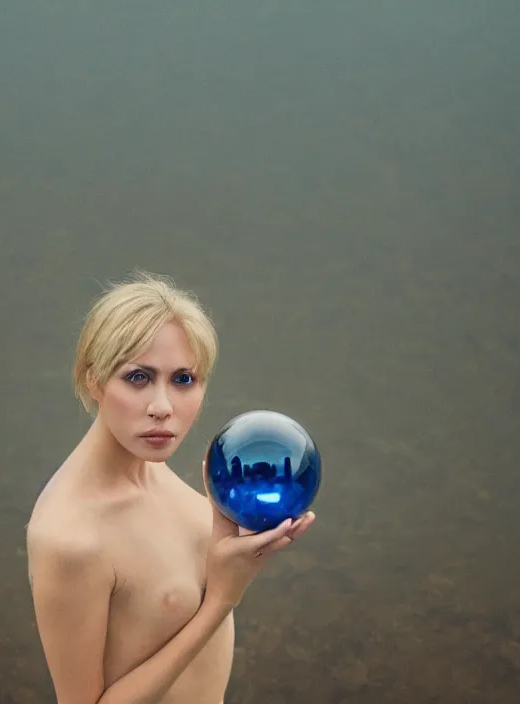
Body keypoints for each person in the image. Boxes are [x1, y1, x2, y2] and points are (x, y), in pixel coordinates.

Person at [26, 271, 316, 704]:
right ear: (93, 380)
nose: (162, 408)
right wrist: (221, 598)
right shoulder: (71, 538)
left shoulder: (159, 473)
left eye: (183, 380)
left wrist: (238, 538)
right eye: (137, 378)